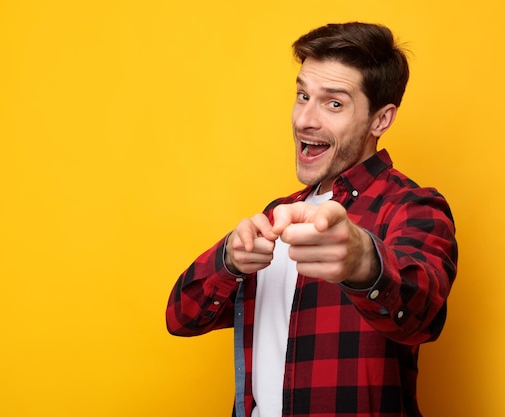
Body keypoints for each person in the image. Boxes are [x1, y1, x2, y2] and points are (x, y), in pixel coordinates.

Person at [166, 22, 458, 417]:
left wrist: (363, 264)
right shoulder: (276, 216)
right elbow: (181, 317)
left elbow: (424, 313)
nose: (305, 119)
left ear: (380, 120)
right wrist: (229, 262)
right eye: (303, 95)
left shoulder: (413, 206)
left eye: (333, 103)